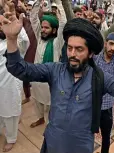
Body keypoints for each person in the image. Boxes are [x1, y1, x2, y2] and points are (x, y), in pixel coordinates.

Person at [1, 4, 114, 152]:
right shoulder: (55, 70)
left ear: (91, 53)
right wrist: (11, 39)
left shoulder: (99, 77)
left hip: (80, 146)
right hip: (52, 142)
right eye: (70, 48)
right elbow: (19, 69)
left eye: (79, 49)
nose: (72, 54)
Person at [0, 6, 29, 152]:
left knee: (10, 116)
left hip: (10, 86)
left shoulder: (16, 43)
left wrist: (15, 25)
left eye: (2, 24)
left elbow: (24, 40)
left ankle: (11, 139)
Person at [29, 0, 67, 128]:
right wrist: (37, 2)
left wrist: (58, 3)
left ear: (54, 30)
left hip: (50, 81)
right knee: (36, 101)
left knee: (50, 104)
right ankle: (40, 118)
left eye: (46, 28)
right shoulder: (40, 38)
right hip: (36, 78)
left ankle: (50, 124)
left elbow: (63, 23)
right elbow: (33, 19)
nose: (43, 30)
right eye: (42, 27)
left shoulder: (57, 43)